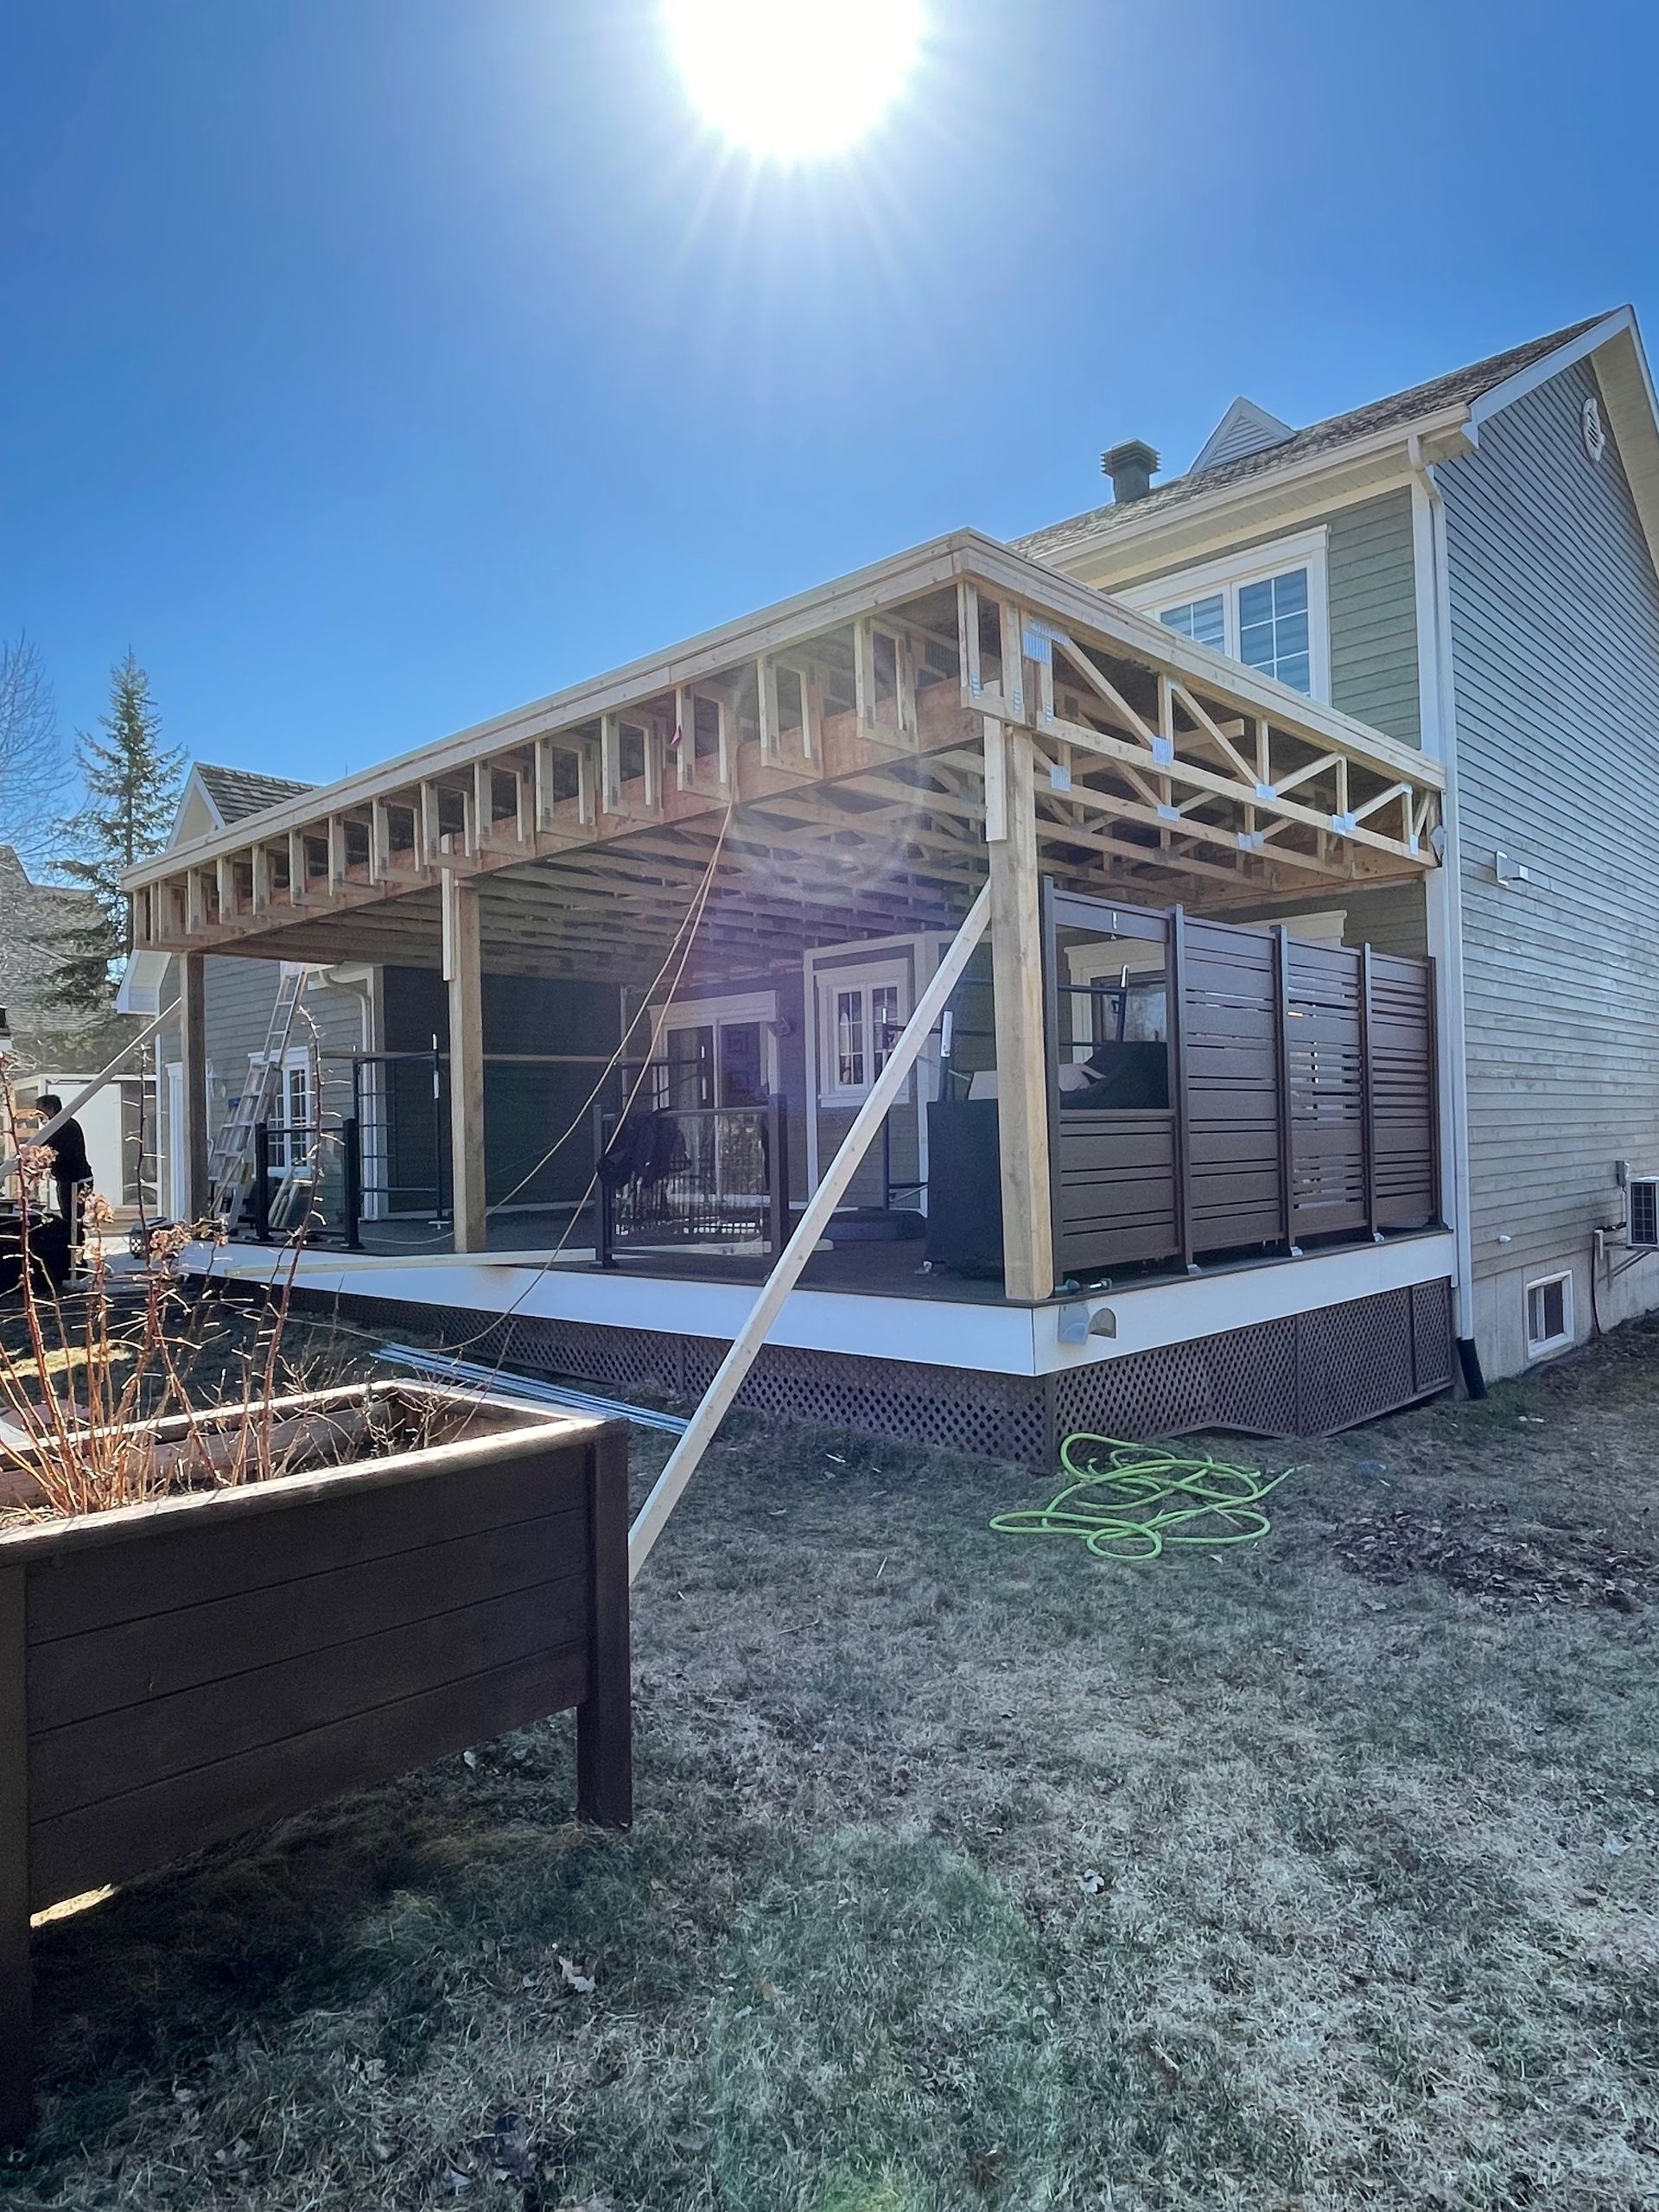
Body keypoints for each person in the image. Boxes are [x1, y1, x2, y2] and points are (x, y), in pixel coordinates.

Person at [33, 1095, 92, 1265]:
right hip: (69, 1180)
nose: (38, 1116)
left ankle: (77, 1261)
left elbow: (44, 1149)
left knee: (74, 1220)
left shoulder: (63, 1126)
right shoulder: (61, 1125)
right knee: (71, 1219)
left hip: (77, 1181)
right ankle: (74, 1260)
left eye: (40, 1111)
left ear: (50, 1109)